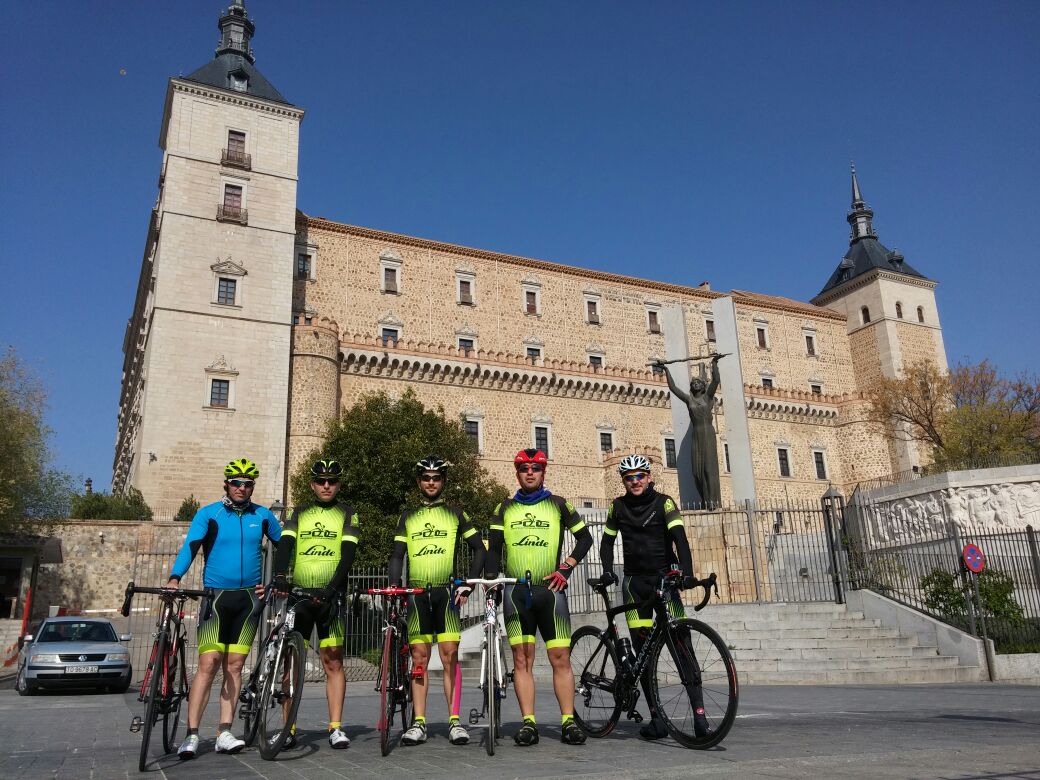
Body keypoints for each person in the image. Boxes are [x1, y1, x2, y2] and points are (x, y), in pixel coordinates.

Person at [168, 458, 281, 759]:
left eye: (247, 484)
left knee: (234, 665)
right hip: (216, 598)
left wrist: (275, 580)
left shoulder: (263, 515)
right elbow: (191, 547)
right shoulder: (209, 514)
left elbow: (286, 546)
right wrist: (175, 577)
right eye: (236, 483)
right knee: (209, 664)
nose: (241, 488)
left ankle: (225, 731)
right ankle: (192, 734)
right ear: (227, 485)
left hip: (249, 600)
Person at [485, 448, 592, 746]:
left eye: (535, 468)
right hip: (516, 593)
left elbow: (585, 538)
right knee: (522, 659)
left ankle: (568, 722)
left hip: (551, 593)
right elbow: (494, 549)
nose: (530, 473)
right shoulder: (504, 508)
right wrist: (491, 583)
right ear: (517, 473)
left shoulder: (558, 504)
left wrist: (566, 568)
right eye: (524, 468)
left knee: (561, 658)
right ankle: (528, 723)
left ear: (544, 472)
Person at [599, 453, 708, 740]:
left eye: (640, 476)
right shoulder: (617, 507)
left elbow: (680, 539)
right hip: (634, 586)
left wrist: (686, 573)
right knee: (643, 656)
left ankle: (700, 716)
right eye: (629, 478)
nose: (635, 481)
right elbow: (606, 543)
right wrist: (608, 570)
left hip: (665, 582)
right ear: (624, 481)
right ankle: (656, 718)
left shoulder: (664, 503)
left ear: (649, 477)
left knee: (683, 649)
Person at [390, 456, 486, 747]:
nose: (431, 482)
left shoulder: (456, 513)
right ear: (419, 481)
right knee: (419, 658)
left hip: (446, 594)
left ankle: (454, 721)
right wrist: (396, 587)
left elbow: (479, 549)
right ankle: (419, 723)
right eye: (426, 478)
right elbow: (397, 555)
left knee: (449, 656)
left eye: (436, 478)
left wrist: (468, 585)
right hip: (417, 595)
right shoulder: (407, 516)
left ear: (443, 481)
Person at [270, 458, 360, 750]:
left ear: (339, 485)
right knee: (291, 663)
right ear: (312, 485)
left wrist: (332, 588)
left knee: (333, 660)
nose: (326, 485)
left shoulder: (348, 513)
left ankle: (336, 727)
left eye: (332, 481)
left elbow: (348, 554)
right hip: (299, 596)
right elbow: (285, 545)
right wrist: (280, 576)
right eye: (321, 481)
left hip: (330, 597)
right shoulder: (298, 512)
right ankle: (289, 728)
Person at [656, 353, 724, 508]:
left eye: (698, 382)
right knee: (697, 472)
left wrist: (714, 363)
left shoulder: (708, 397)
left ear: (703, 386)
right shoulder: (689, 400)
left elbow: (716, 381)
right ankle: (705, 501)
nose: (695, 384)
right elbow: (673, 388)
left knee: (709, 469)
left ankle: (713, 501)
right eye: (693, 383)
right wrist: (666, 369)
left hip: (708, 433)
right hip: (696, 436)